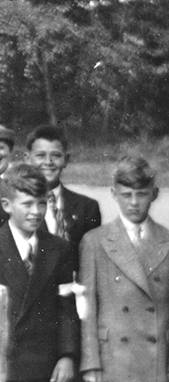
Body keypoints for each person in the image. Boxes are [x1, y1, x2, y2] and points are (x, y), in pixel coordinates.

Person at [0, 164, 79, 382]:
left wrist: (67, 356)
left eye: (41, 203)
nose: (36, 212)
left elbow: (66, 308)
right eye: (27, 204)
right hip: (1, 362)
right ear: (7, 205)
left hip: (47, 363)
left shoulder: (59, 249)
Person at [79, 157, 169, 382]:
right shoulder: (94, 241)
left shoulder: (166, 240)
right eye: (126, 195)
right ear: (113, 194)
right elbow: (86, 308)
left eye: (141, 194)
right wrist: (90, 365)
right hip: (112, 359)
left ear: (154, 194)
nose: (134, 203)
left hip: (156, 359)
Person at [0, 125, 101, 265]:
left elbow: (91, 258)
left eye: (56, 156)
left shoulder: (87, 207)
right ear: (27, 158)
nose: (48, 162)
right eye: (40, 155)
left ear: (66, 160)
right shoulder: (9, 206)